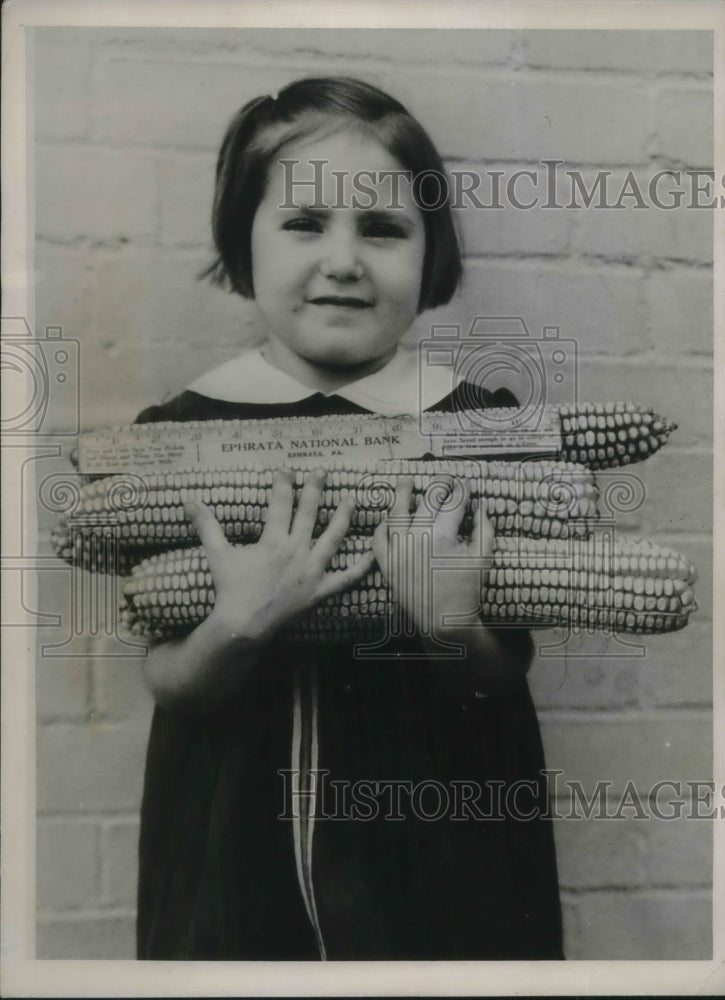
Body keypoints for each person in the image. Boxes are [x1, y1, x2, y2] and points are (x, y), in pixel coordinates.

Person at [133, 77, 563, 961]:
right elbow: (172, 682)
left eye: (381, 229)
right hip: (235, 825)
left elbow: (500, 674)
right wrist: (236, 626)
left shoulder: (480, 426)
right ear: (240, 242)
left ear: (429, 253)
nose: (342, 260)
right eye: (302, 223)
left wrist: (451, 625)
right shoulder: (177, 437)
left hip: (437, 827)